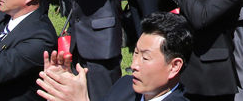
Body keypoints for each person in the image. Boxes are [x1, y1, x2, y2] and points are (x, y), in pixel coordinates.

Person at [37, 12, 193, 101]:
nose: (134, 65)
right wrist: (63, 88)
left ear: (174, 66)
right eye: (136, 53)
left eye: (145, 58)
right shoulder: (125, 86)